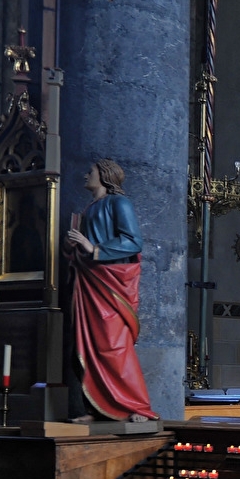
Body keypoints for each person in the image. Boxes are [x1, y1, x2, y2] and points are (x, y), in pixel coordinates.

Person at [64, 160, 157, 422]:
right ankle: (97, 409)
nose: (85, 174)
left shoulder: (119, 204)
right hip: (87, 281)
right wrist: (73, 245)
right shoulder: (89, 208)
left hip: (110, 284)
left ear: (104, 176)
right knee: (85, 347)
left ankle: (136, 407)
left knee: (114, 346)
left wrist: (92, 248)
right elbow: (81, 248)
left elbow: (132, 241)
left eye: (90, 172)